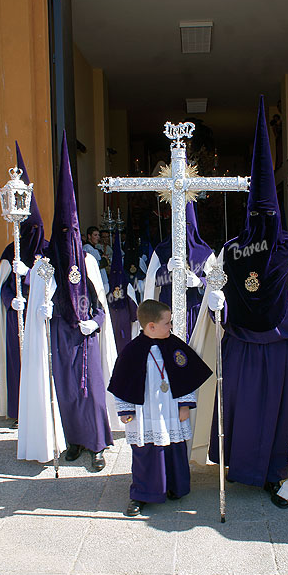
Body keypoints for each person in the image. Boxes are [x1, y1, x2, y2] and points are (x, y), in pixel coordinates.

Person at [190, 95, 288, 509]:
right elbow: (216, 304)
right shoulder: (231, 250)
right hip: (239, 349)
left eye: (267, 216)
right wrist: (213, 299)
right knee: (241, 414)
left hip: (278, 350)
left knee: (275, 416)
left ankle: (273, 473)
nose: (261, 224)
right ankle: (240, 468)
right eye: (256, 215)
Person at [17, 132, 118, 469]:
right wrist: (41, 310)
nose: (67, 238)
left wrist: (96, 321)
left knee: (91, 393)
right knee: (67, 391)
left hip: (85, 333)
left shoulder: (88, 260)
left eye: (71, 232)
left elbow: (100, 305)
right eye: (62, 233)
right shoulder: (48, 263)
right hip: (59, 332)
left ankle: (98, 444)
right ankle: (74, 440)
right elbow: (36, 297)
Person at [108, 299, 212, 517]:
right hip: (144, 413)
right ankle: (142, 493)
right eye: (167, 323)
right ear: (151, 326)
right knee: (146, 452)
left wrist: (185, 404)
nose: (171, 327)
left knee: (174, 449)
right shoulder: (132, 351)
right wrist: (126, 410)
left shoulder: (175, 345)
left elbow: (184, 375)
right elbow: (122, 382)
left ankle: (175, 487)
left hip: (171, 411)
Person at [0, 142, 48, 428]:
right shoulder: (10, 251)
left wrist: (29, 273)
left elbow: (55, 279)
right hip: (19, 312)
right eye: (32, 230)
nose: (36, 235)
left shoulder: (50, 249)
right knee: (18, 363)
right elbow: (3, 285)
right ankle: (19, 412)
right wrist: (9, 299)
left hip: (39, 312)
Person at [143, 201, 217, 341]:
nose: (183, 231)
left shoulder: (204, 251)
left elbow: (216, 281)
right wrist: (167, 269)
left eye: (187, 225)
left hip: (193, 309)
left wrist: (200, 282)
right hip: (166, 309)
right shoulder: (162, 249)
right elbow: (152, 281)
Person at [107, 229, 140, 353]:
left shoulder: (127, 286)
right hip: (112, 320)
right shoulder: (106, 286)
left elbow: (133, 307)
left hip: (123, 319)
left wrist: (133, 318)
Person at [83, 226, 109, 293]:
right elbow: (92, 266)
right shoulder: (87, 248)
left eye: (98, 235)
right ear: (89, 236)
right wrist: (103, 259)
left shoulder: (96, 249)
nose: (98, 237)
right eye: (95, 235)